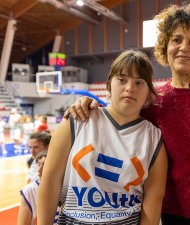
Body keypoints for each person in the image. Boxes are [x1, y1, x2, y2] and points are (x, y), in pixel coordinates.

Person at [64, 3, 190, 225]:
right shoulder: (152, 103)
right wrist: (89, 104)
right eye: (176, 39)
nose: (184, 47)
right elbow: (116, 118)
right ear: (165, 46)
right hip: (175, 215)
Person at [38, 50, 168, 225]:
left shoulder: (153, 138)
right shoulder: (76, 120)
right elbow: (50, 179)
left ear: (148, 92)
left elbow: (153, 198)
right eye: (122, 80)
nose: (130, 88)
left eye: (139, 82)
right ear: (109, 84)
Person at [17, 151, 56, 225]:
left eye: (45, 165)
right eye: (39, 165)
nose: (39, 170)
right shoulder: (30, 190)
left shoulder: (68, 189)